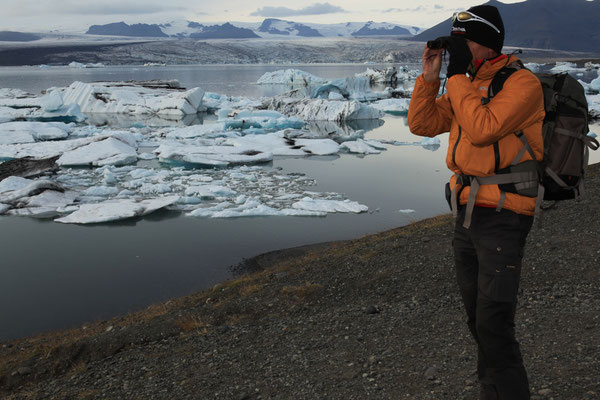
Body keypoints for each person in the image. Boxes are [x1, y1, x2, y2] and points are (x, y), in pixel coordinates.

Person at [407, 4, 545, 400]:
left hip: (504, 215)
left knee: (494, 321)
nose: (459, 50)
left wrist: (456, 77)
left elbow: (483, 129)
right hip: (467, 216)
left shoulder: (521, 85)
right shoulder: (470, 84)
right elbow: (422, 124)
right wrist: (432, 77)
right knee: (477, 319)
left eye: (463, 42)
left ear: (485, 42)